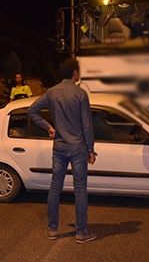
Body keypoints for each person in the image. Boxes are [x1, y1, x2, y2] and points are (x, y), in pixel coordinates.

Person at [27, 58, 97, 244]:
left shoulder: (52, 92)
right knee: (80, 189)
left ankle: (52, 229)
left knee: (55, 187)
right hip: (78, 148)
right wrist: (91, 149)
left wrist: (48, 127)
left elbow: (32, 111)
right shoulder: (80, 94)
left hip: (59, 147)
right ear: (74, 72)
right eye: (79, 70)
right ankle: (81, 232)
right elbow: (87, 125)